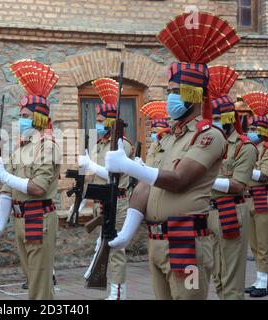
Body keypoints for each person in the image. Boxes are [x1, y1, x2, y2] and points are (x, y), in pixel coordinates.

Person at [103, 12, 240, 299]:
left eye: (175, 92)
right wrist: (127, 232)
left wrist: (129, 164)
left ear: (192, 95)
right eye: (168, 92)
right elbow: (143, 187)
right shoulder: (165, 139)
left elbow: (178, 180)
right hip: (156, 241)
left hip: (186, 242)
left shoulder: (209, 135)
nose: (170, 98)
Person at [0, 60, 61, 300]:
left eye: (26, 116)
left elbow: (38, 187)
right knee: (33, 281)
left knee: (39, 284)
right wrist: (0, 221)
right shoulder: (20, 147)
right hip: (21, 218)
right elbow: (7, 188)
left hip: (38, 217)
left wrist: (5, 175)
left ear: (39, 118)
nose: (21, 120)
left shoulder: (47, 146)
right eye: (20, 115)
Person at [78, 77, 133, 300]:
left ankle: (118, 291)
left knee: (116, 249)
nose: (97, 124)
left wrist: (90, 164)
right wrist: (83, 198)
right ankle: (108, 284)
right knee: (102, 244)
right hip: (101, 202)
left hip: (117, 202)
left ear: (112, 122)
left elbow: (112, 175)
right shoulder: (100, 144)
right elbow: (94, 174)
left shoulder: (123, 145)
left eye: (101, 120)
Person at [207, 66, 257, 300]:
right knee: (216, 275)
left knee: (231, 281)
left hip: (230, 211)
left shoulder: (243, 146)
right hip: (209, 212)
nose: (214, 123)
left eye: (218, 118)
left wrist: (205, 180)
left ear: (229, 118)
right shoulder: (207, 144)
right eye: (211, 118)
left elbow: (238, 184)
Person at [242, 92, 268, 298]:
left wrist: (245, 168)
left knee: (263, 244)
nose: (250, 132)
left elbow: (264, 175)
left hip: (263, 199)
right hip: (250, 198)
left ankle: (264, 282)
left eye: (253, 129)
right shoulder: (251, 147)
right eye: (249, 129)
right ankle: (259, 279)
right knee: (254, 244)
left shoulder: (267, 148)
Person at [140, 101, 170, 168]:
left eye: (158, 132)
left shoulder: (165, 143)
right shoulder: (154, 144)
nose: (155, 135)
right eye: (153, 132)